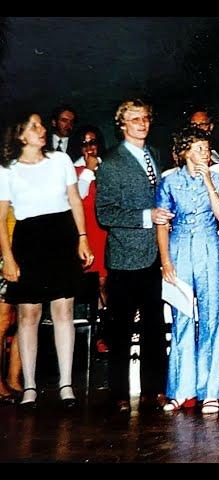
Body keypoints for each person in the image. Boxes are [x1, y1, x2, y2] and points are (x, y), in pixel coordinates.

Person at [0, 111, 93, 409]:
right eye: (34, 126)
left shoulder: (60, 161)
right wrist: (8, 259)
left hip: (62, 236)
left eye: (41, 124)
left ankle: (66, 384)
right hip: (28, 240)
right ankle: (29, 386)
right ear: (20, 136)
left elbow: (75, 200)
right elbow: (1, 220)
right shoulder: (7, 170)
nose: (42, 130)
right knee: (28, 316)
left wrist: (82, 238)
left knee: (64, 312)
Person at [96, 99, 174, 413]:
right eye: (134, 119)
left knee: (154, 326)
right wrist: (147, 216)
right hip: (125, 257)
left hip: (155, 254)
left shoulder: (154, 155)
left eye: (145, 118)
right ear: (122, 125)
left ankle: (153, 391)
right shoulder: (112, 161)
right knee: (121, 328)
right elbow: (104, 212)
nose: (141, 123)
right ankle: (118, 394)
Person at [157, 127, 219, 414]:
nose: (205, 154)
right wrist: (166, 261)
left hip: (209, 246)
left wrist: (210, 182)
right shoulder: (169, 182)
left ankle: (210, 391)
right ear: (185, 151)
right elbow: (162, 223)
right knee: (182, 317)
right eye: (199, 149)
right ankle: (181, 390)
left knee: (212, 316)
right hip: (178, 248)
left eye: (207, 149)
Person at [69, 126, 109, 352]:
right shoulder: (73, 170)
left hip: (103, 233)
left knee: (104, 284)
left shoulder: (108, 166)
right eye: (84, 143)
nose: (89, 147)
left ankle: (102, 335)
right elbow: (76, 197)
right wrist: (88, 171)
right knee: (85, 287)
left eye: (93, 142)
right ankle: (84, 338)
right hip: (83, 235)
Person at [0, 207, 21, 403]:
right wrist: (7, 257)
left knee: (26, 320)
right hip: (5, 254)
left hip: (28, 254)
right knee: (3, 321)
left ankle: (14, 378)